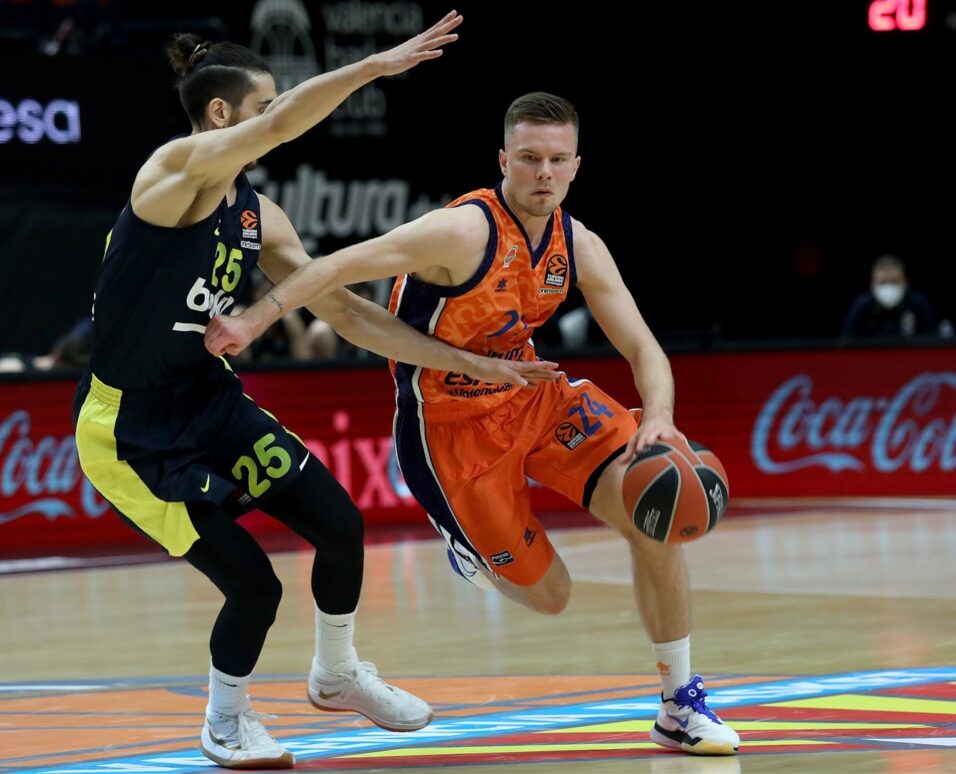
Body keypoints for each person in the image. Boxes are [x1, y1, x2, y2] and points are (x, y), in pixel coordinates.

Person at [74, 17, 557, 770]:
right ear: (222, 115)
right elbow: (288, 123)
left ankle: (337, 673)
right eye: (265, 107)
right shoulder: (170, 172)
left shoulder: (257, 215)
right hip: (131, 430)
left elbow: (347, 313)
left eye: (277, 106)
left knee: (340, 524)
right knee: (254, 586)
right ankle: (225, 721)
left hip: (208, 399)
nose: (278, 119)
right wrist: (372, 67)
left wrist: (467, 362)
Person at [206, 92, 741, 756]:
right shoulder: (460, 233)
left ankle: (679, 704)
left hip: (535, 396)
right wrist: (257, 318)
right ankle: (469, 548)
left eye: (558, 160)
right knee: (552, 596)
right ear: (504, 161)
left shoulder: (578, 244)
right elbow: (336, 267)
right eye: (529, 158)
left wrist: (658, 418)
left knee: (652, 512)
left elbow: (643, 348)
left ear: (576, 166)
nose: (544, 172)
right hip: (451, 430)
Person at [841, 254, 939, 338]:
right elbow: (847, 341)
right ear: (872, 284)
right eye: (883, 283)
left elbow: (933, 338)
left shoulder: (918, 304)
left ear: (905, 282)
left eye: (894, 282)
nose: (889, 287)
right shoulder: (861, 306)